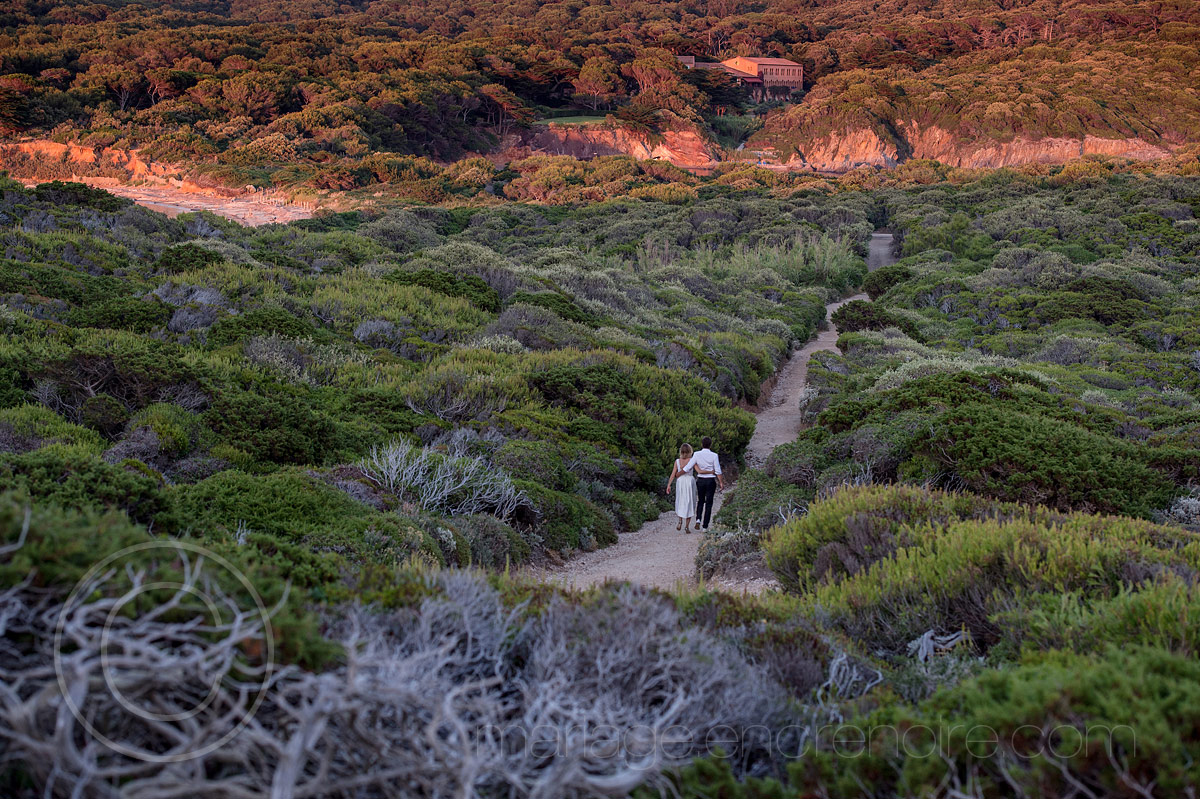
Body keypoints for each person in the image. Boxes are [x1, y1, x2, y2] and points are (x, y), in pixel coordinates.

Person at [682, 437, 724, 530]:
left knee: (700, 500)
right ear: (710, 445)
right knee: (709, 503)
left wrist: (679, 474)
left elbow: (688, 467)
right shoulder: (714, 455)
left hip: (700, 480)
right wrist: (721, 482)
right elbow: (718, 470)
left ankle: (698, 519)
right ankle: (705, 526)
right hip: (710, 481)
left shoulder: (696, 454)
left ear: (702, 444)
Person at [665, 443, 697, 533]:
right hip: (689, 481)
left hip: (680, 481)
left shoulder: (677, 461)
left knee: (680, 501)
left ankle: (680, 521)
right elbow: (698, 470)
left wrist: (669, 485)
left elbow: (673, 474)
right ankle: (687, 526)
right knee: (690, 502)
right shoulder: (692, 460)